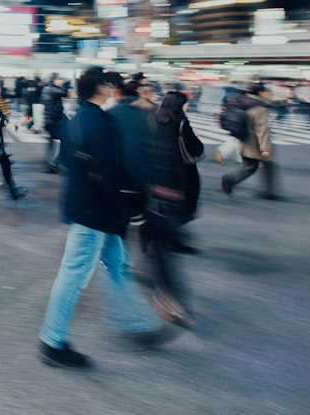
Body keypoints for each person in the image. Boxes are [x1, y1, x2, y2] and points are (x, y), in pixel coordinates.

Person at [37, 67, 171, 369]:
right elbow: (109, 177)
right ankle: (52, 341)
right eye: (108, 84)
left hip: (86, 208)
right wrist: (120, 213)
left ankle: (137, 323)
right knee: (72, 277)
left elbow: (74, 167)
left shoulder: (78, 118)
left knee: (119, 267)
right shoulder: (101, 123)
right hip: (95, 214)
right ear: (99, 88)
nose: (112, 88)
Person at [144, 91, 204, 327]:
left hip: (154, 186)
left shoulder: (152, 119)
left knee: (160, 237)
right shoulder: (181, 123)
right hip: (175, 184)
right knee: (163, 249)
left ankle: (167, 294)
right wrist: (195, 138)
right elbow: (196, 150)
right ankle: (167, 299)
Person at [221, 83, 279, 199]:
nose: (268, 94)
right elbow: (262, 130)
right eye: (266, 92)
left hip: (244, 140)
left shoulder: (241, 102)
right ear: (260, 93)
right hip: (256, 143)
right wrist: (265, 148)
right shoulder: (259, 107)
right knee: (266, 165)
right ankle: (269, 192)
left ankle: (230, 179)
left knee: (249, 166)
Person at [41, 76, 67, 173]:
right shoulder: (53, 90)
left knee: (51, 142)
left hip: (49, 119)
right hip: (53, 119)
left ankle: (50, 162)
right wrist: (62, 86)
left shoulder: (46, 89)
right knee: (65, 140)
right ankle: (54, 162)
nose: (61, 81)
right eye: (59, 79)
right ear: (54, 80)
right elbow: (64, 93)